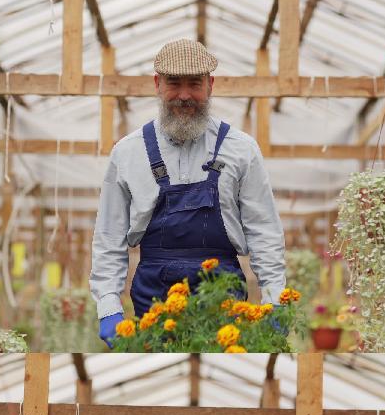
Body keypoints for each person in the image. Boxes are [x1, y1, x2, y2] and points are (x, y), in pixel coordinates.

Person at [91, 39, 287, 346]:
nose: (184, 95)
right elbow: (109, 235)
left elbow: (264, 229)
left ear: (210, 85)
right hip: (152, 296)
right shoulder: (127, 152)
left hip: (222, 293)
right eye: (174, 83)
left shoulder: (241, 149)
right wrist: (108, 306)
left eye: (194, 84)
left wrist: (276, 298)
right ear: (157, 84)